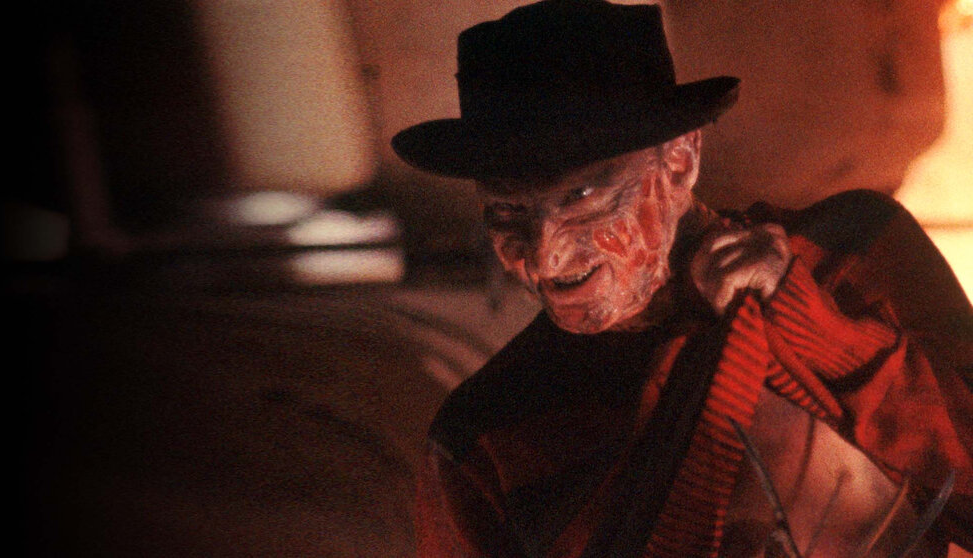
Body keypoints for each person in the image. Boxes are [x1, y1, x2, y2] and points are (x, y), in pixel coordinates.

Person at [391, 1, 973, 556]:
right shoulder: (482, 432)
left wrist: (809, 323)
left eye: (582, 197)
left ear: (680, 157)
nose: (545, 257)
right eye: (507, 213)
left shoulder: (848, 249)